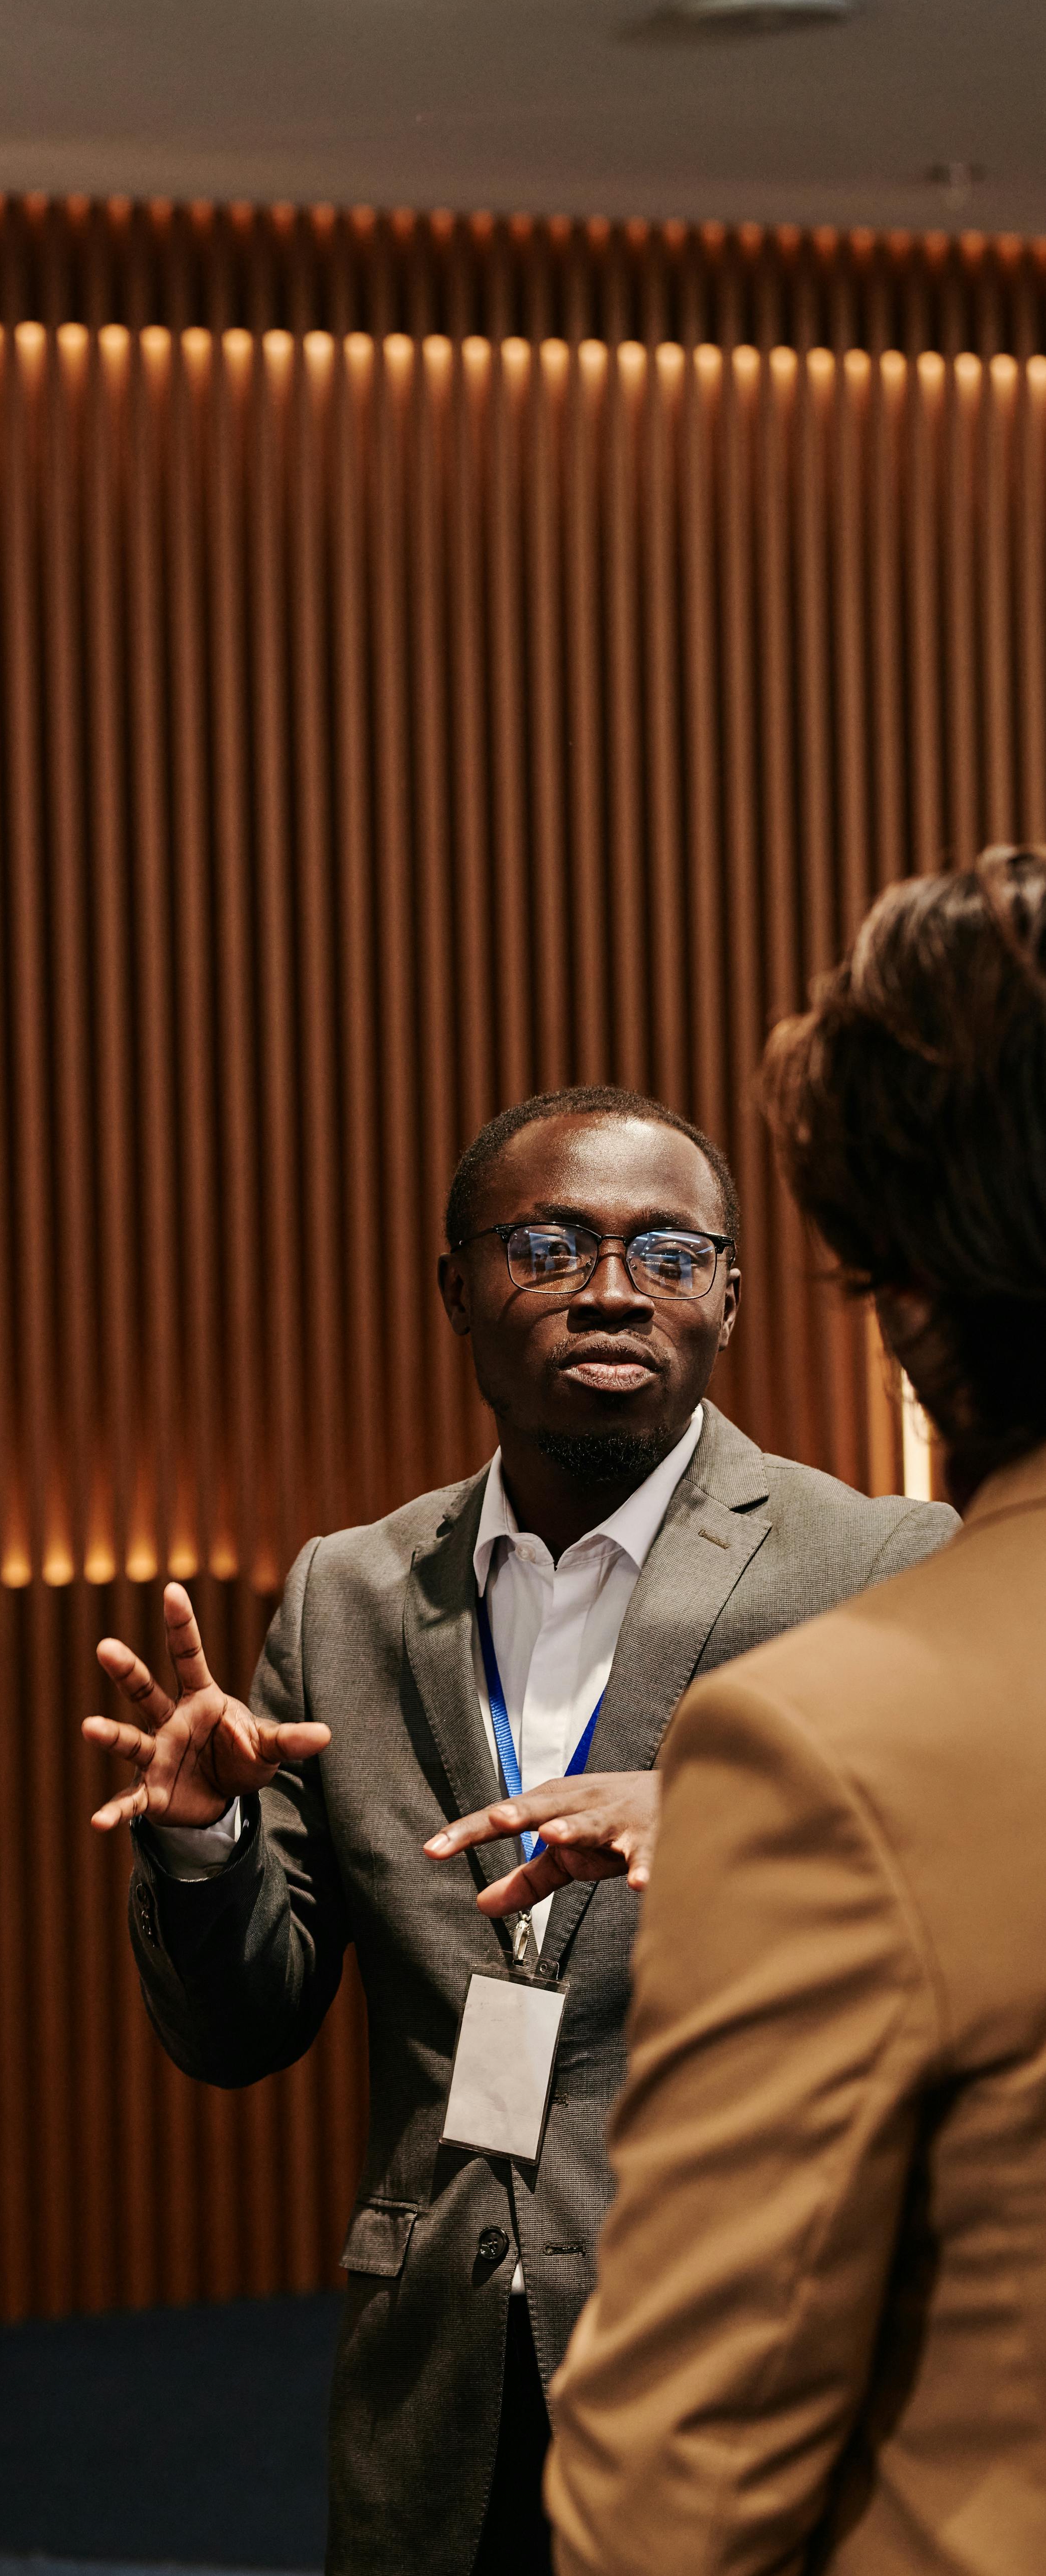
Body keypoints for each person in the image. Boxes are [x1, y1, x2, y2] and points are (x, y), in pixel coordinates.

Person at [83, 1086, 957, 2576]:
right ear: (457, 1288)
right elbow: (241, 2028)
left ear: (728, 1296)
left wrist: (728, 1818)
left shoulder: (872, 1558)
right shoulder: (343, 1594)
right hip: (437, 2384)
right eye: (548, 1243)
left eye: (668, 1252)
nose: (611, 1288)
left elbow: (977, 1921)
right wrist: (202, 1843)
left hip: (753, 2360)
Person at [546, 852, 1046, 2576]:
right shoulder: (343, 1586)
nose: (608, 1291)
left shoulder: (822, 1742)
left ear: (902, 1289)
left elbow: (670, 2503)